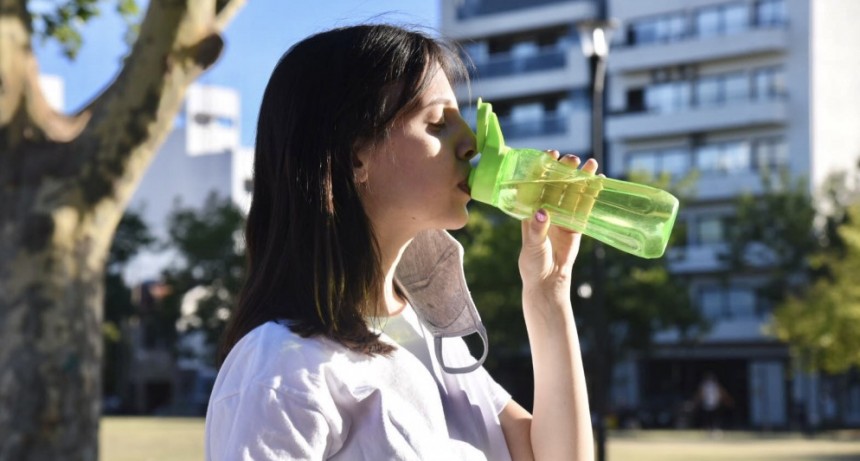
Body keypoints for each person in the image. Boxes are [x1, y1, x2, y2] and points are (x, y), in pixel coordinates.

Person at [205, 24, 595, 461]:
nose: (470, 144)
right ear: (356, 158)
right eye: (437, 123)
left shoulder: (431, 337)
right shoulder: (279, 369)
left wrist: (549, 292)